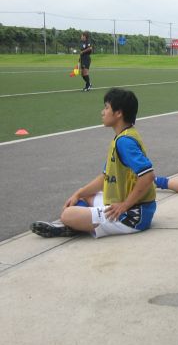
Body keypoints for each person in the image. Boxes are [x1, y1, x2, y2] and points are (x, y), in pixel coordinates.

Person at [31, 88, 156, 238]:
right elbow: (105, 177)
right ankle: (77, 225)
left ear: (118, 113)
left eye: (106, 108)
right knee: (83, 196)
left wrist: (124, 205)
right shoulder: (123, 137)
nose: (102, 112)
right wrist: (79, 192)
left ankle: (72, 225)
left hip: (133, 216)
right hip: (129, 208)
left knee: (68, 214)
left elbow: (148, 176)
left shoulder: (124, 142)